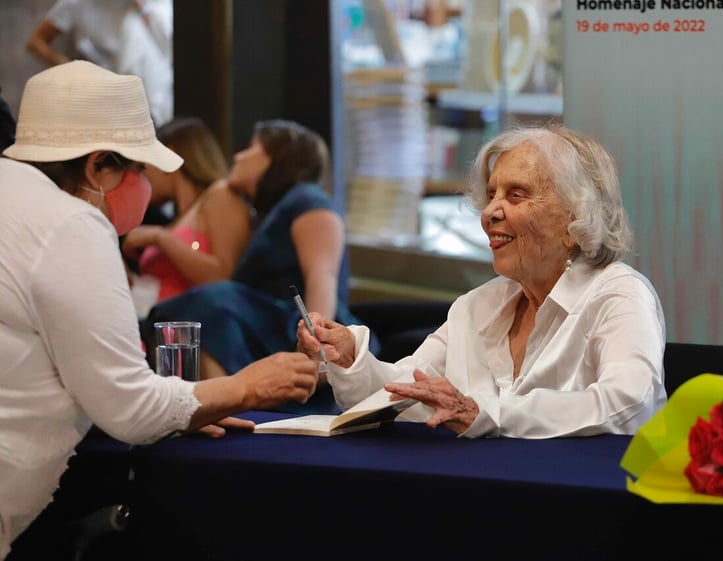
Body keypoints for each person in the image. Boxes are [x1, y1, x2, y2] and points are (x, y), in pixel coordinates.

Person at [0, 60, 319, 560]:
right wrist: (248, 386)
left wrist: (194, 404)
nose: (145, 183)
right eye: (139, 168)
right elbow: (130, 409)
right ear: (97, 165)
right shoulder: (70, 225)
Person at [296, 124, 667, 439]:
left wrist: (486, 413)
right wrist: (350, 358)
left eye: (516, 195)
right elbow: (409, 389)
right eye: (491, 195)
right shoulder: (476, 306)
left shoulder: (618, 294)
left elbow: (629, 404)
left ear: (576, 219)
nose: (490, 211)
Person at [141, 119, 377, 413]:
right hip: (272, 328)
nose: (238, 156)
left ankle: (222, 408)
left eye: (251, 149)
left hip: (294, 329)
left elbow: (322, 277)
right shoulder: (274, 210)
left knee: (210, 302)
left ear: (279, 158)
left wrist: (318, 352)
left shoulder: (308, 199)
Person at [121, 117, 251, 309]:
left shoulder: (219, 195)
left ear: (169, 155)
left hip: (200, 330)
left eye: (144, 166)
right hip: (164, 326)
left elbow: (222, 278)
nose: (143, 176)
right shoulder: (182, 216)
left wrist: (159, 238)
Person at [26, 0, 173, 125]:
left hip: (153, 88)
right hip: (107, 92)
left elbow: (168, 45)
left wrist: (143, 8)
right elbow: (36, 42)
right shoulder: (75, 4)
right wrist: (74, 69)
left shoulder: (147, 5)